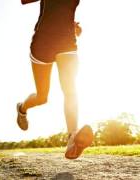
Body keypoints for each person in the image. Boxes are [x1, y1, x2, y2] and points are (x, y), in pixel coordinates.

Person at [17, 0, 93, 159]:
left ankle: (72, 137)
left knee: (70, 90)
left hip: (67, 41)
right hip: (42, 44)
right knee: (42, 97)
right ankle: (22, 109)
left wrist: (72, 24)